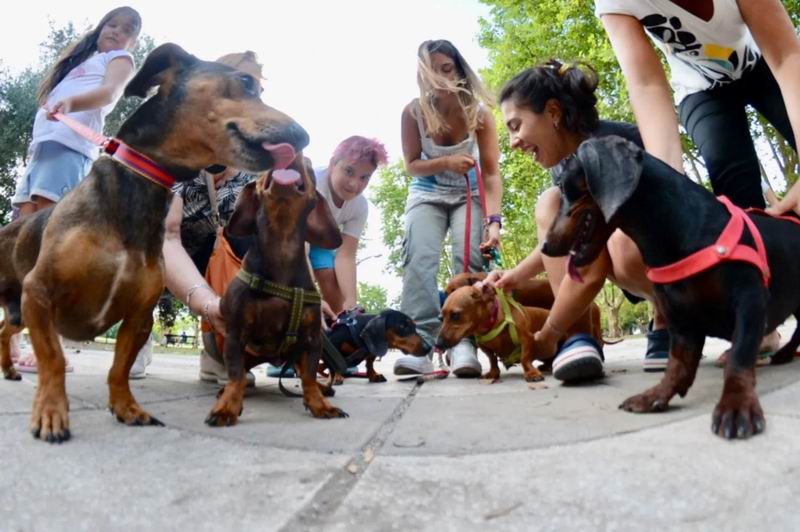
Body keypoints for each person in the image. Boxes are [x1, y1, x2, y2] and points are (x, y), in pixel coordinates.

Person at [596, 0, 797, 361]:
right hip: (701, 87)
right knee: (737, 197)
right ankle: (760, 325)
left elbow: (785, 56)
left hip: (764, 59)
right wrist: (658, 197)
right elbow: (646, 85)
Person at [485, 60, 670, 380]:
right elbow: (561, 241)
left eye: (516, 126)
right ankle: (578, 336)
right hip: (622, 251)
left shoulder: (616, 148)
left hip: (667, 261)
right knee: (550, 203)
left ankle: (668, 317)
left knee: (621, 243)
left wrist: (548, 333)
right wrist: (514, 277)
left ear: (553, 113)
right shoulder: (564, 167)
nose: (513, 142)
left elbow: (590, 266)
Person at [12, 6, 142, 374]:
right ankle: (16, 338)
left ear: (133, 41)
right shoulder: (83, 62)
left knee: (48, 246)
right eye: (111, 25)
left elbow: (109, 93)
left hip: (69, 152)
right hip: (44, 153)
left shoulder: (121, 58)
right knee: (22, 245)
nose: (116, 32)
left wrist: (72, 102)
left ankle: (50, 346)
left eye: (127, 29)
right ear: (99, 29)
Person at [392, 39, 503, 378]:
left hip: (469, 196)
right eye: (431, 71)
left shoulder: (478, 114)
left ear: (458, 70)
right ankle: (420, 344)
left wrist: (493, 223)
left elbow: (492, 173)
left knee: (468, 262)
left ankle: (464, 344)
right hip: (427, 193)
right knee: (419, 259)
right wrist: (445, 162)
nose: (439, 78)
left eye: (447, 69)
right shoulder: (413, 112)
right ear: (420, 75)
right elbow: (411, 164)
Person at [161, 51, 267, 387]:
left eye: (258, 90)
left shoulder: (254, 170)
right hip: (161, 254)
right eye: (244, 84)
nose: (255, 99)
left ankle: (218, 352)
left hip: (215, 256)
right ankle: (134, 335)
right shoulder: (171, 150)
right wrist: (208, 304)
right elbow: (166, 236)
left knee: (252, 238)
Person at [265, 136, 388, 378]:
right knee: (294, 293)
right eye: (349, 171)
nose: (354, 184)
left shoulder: (359, 206)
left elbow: (345, 255)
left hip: (322, 240)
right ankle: (282, 354)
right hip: (288, 240)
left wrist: (351, 303)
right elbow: (299, 250)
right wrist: (310, 295)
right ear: (333, 164)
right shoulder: (312, 184)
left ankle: (338, 351)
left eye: (365, 177)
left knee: (336, 290)